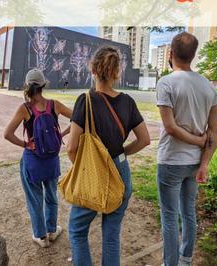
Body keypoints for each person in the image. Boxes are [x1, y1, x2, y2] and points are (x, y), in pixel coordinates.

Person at [67, 46, 151, 266]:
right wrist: (122, 153)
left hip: (94, 173)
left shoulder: (84, 100)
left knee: (77, 229)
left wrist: (85, 170)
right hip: (121, 172)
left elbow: (71, 148)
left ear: (92, 68)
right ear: (117, 72)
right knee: (111, 234)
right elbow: (144, 140)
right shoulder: (128, 101)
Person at [156, 32, 217, 266]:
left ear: (171, 54)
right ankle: (185, 259)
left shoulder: (166, 83)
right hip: (194, 163)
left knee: (170, 218)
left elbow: (170, 128)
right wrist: (204, 162)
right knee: (188, 212)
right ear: (194, 55)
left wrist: (197, 142)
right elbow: (214, 131)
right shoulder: (208, 87)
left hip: (171, 161)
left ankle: (171, 263)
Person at [4, 68, 72, 248]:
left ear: (27, 86)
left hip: (32, 160)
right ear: (43, 85)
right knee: (51, 196)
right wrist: (62, 134)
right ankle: (51, 230)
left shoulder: (25, 108)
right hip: (51, 159)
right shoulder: (54, 104)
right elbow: (78, 118)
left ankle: (41, 237)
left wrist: (26, 144)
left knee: (34, 199)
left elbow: (7, 134)